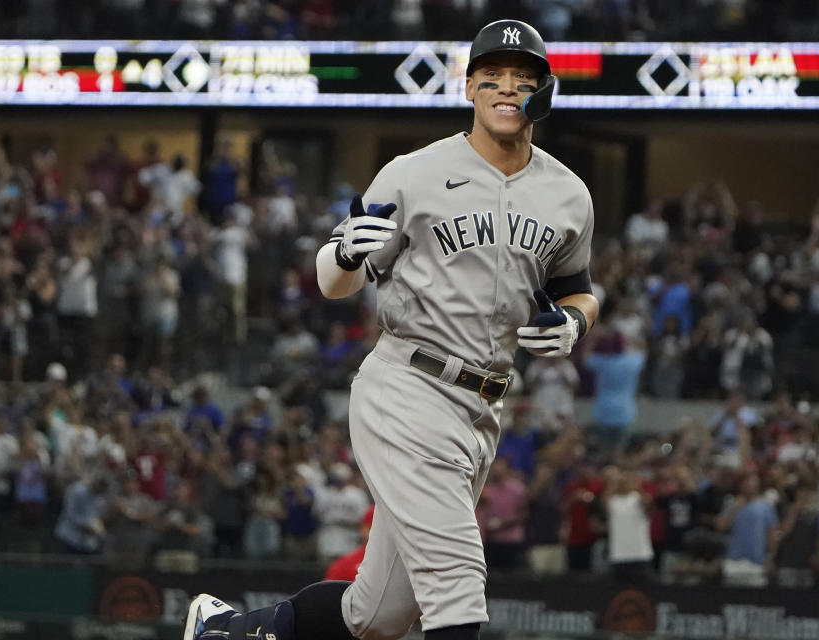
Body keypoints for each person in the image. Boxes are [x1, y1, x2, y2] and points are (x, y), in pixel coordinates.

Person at [184, 18, 598, 640]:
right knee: (458, 582)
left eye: (522, 78)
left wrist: (573, 321)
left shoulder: (569, 194)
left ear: (544, 89)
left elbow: (578, 288)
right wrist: (348, 252)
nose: (506, 89)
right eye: (492, 78)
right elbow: (333, 279)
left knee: (378, 614)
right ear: (471, 89)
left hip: (482, 407)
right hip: (409, 385)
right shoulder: (414, 172)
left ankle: (228, 632)